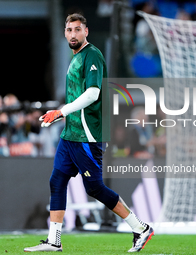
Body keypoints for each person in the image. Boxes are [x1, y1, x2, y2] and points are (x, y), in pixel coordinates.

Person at [23, 13, 154, 253]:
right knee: (57, 180)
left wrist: (61, 112)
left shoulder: (92, 55)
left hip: (88, 135)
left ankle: (141, 228)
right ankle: (54, 240)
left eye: (77, 29)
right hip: (71, 133)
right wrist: (63, 117)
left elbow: (93, 94)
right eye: (69, 30)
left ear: (86, 31)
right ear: (65, 33)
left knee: (94, 188)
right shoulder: (75, 58)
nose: (72, 34)